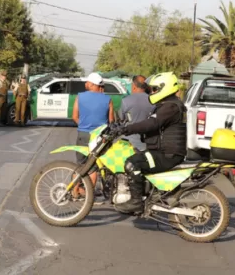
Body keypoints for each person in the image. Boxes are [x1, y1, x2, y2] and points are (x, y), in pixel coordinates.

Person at [114, 72, 187, 214]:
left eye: (154, 89)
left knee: (132, 163)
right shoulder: (168, 105)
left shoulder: (170, 107)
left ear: (164, 88)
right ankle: (149, 195)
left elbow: (152, 123)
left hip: (167, 154)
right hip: (164, 151)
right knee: (140, 159)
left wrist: (127, 129)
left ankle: (136, 202)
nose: (151, 92)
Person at [72, 72, 115, 203]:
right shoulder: (108, 99)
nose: (86, 84)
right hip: (100, 138)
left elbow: (74, 116)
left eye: (88, 83)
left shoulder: (80, 97)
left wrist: (84, 126)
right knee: (94, 166)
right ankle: (89, 194)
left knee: (81, 164)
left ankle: (75, 191)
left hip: (83, 135)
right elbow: (111, 121)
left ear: (92, 84)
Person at [118, 75, 155, 151]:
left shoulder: (125, 101)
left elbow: (121, 119)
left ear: (133, 86)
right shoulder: (153, 101)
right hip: (147, 142)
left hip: (128, 143)